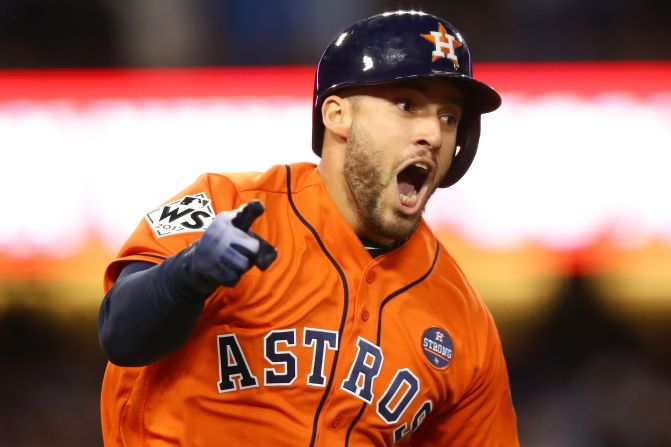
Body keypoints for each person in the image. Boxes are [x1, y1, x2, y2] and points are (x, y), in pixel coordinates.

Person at [98, 10, 519, 446]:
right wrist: (189, 274)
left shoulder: (465, 324)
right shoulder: (225, 202)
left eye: (449, 118)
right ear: (337, 115)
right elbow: (120, 335)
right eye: (406, 105)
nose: (432, 133)